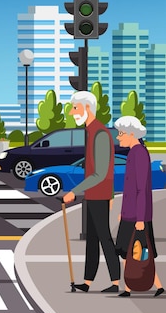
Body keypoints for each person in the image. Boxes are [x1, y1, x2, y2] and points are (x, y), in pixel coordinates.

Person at [63, 91, 120, 293]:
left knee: (104, 237)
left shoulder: (101, 134)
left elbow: (101, 172)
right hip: (93, 195)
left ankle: (115, 281)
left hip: (98, 194)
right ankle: (87, 281)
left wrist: (74, 192)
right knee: (93, 240)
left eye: (75, 108)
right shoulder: (92, 132)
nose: (71, 113)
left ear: (87, 108)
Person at [113, 116, 163, 297]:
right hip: (131, 213)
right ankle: (154, 286)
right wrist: (122, 211)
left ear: (132, 134)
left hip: (137, 215)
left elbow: (141, 188)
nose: (118, 137)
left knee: (135, 251)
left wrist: (140, 218)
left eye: (121, 134)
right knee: (137, 251)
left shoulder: (139, 153)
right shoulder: (135, 152)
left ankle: (131, 287)